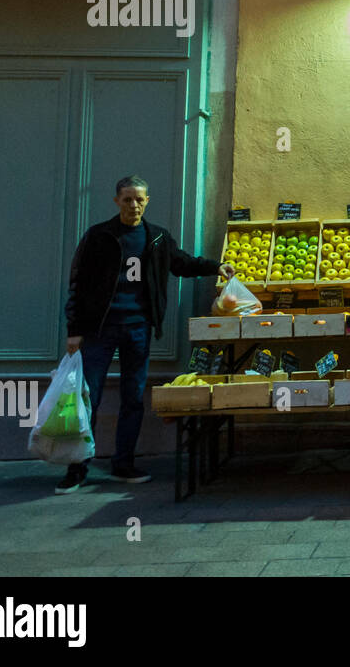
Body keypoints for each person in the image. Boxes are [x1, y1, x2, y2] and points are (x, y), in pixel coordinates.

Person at [56, 175, 232, 493]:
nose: (133, 205)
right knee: (88, 398)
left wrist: (214, 267)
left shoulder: (157, 238)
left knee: (133, 398)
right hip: (100, 329)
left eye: (139, 199)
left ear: (147, 201)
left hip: (138, 328)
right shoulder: (99, 236)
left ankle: (123, 463)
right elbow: (78, 283)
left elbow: (181, 264)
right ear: (116, 201)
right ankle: (77, 468)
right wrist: (74, 331)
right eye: (127, 199)